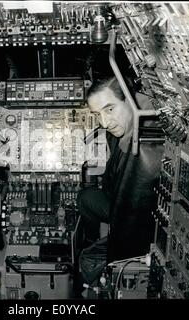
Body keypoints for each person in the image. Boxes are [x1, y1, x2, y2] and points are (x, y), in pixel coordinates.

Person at [77, 77, 133, 248]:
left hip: (128, 213)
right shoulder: (121, 132)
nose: (104, 123)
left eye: (109, 109)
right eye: (97, 115)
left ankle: (92, 243)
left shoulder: (138, 140)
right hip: (118, 198)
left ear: (130, 100)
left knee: (85, 198)